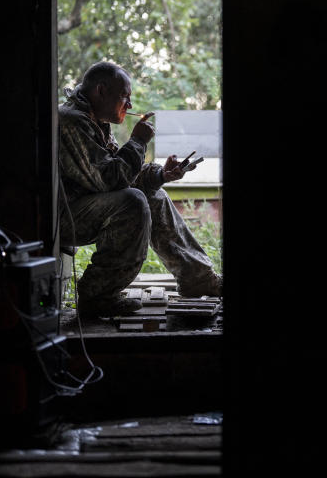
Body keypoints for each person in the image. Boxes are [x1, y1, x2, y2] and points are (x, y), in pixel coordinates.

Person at [58, 61, 222, 318]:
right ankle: (98, 297)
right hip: (63, 219)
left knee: (154, 196)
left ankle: (197, 279)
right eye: (125, 97)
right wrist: (136, 141)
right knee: (132, 201)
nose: (130, 106)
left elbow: (117, 171)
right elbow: (110, 180)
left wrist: (160, 174)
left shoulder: (94, 119)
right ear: (101, 91)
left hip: (85, 208)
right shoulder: (71, 122)